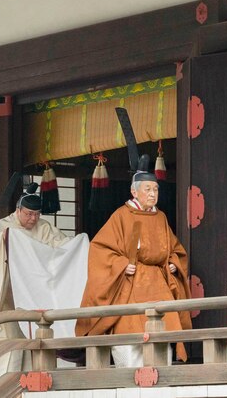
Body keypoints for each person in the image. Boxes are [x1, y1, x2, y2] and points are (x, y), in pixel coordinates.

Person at [75, 154, 191, 367]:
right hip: (131, 283)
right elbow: (99, 249)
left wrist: (172, 262)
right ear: (134, 191)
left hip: (158, 283)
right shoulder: (122, 216)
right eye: (147, 189)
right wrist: (120, 265)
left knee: (161, 345)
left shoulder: (161, 217)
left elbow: (175, 249)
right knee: (130, 343)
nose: (152, 194)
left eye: (155, 190)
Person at [0, 182, 76, 382]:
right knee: (3, 335)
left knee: (32, 336)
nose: (33, 218)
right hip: (7, 294)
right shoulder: (5, 226)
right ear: (18, 210)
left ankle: (28, 377)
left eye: (37, 214)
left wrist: (78, 245)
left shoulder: (44, 228)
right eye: (28, 214)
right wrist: (7, 240)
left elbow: (61, 248)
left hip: (32, 292)